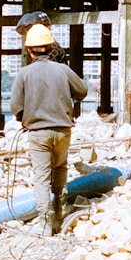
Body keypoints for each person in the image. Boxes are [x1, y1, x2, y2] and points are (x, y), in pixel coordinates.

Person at [10, 23, 89, 234]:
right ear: (50, 46)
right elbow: (82, 91)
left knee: (41, 175)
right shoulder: (63, 70)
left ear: (29, 50)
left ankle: (45, 221)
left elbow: (16, 106)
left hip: (38, 133)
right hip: (63, 129)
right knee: (60, 167)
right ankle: (60, 211)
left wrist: (25, 119)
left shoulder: (24, 74)